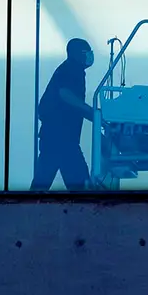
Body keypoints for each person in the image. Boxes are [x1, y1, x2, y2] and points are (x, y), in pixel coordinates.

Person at [31, 38, 95, 191]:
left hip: (57, 139)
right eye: (86, 53)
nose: (90, 56)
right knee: (82, 187)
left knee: (41, 184)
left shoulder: (73, 71)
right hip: (61, 139)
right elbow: (65, 94)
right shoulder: (70, 69)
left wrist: (98, 119)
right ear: (76, 54)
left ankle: (27, 211)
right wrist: (90, 111)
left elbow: (76, 106)